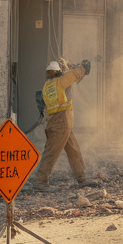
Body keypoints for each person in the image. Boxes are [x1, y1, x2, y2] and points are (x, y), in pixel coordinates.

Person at [32, 57, 91, 187]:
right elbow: (73, 75)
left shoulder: (46, 86)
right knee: (51, 153)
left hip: (55, 121)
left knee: (73, 149)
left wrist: (67, 65)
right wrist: (83, 67)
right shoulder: (60, 81)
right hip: (63, 121)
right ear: (58, 72)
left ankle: (81, 177)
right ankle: (40, 181)